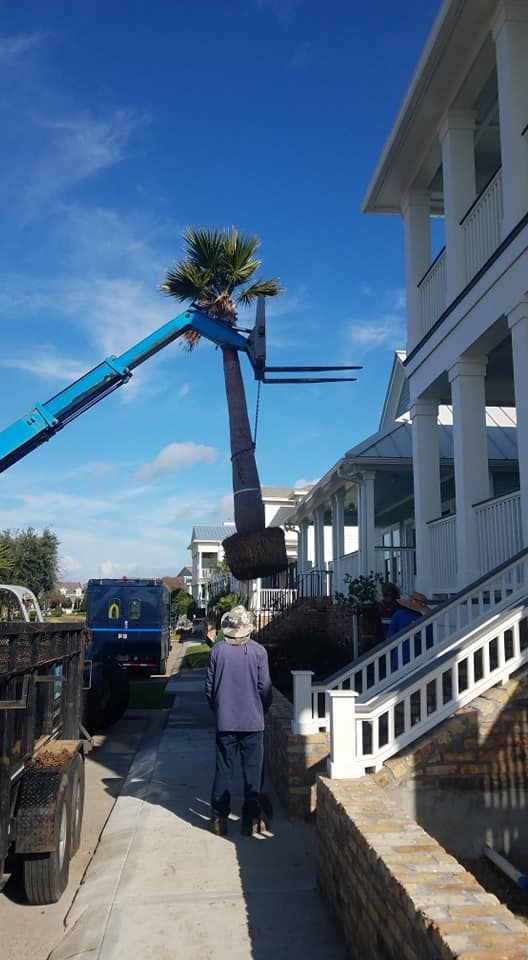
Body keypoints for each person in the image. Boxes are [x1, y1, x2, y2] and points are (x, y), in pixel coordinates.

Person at [205, 604, 272, 837]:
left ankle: (218, 818)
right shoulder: (258, 652)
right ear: (248, 628)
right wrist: (262, 708)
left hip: (225, 721)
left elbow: (210, 688)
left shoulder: (218, 651)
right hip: (253, 721)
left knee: (223, 768)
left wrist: (218, 708)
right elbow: (265, 689)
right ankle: (251, 820)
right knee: (253, 772)